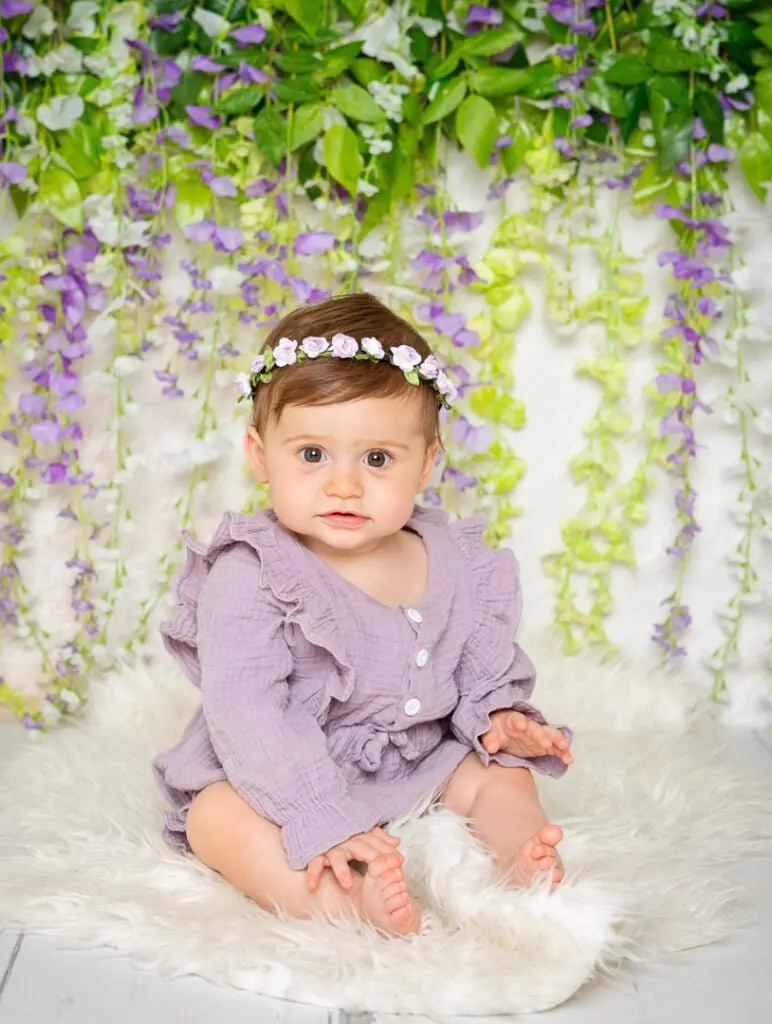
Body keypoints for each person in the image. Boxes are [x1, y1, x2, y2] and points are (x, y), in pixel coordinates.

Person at [153, 292, 572, 937]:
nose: (344, 485)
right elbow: (247, 711)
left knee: (501, 776)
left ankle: (521, 862)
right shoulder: (253, 570)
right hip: (276, 779)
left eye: (377, 459)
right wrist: (318, 811)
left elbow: (478, 666)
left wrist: (499, 719)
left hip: (414, 763)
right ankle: (344, 902)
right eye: (312, 455)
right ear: (260, 454)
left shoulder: (452, 560)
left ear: (425, 463)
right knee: (215, 819)